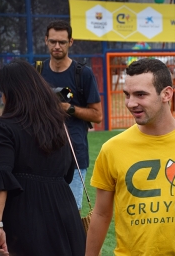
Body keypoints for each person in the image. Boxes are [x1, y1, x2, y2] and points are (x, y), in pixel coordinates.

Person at [85, 58, 175, 256]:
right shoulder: (112, 148)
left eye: (140, 94)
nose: (131, 103)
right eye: (127, 94)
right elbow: (101, 214)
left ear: (166, 94)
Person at [0, 59, 86, 255]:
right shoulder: (58, 122)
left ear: (13, 93)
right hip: (64, 212)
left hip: (23, 215)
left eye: (4, 91)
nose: (3, 98)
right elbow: (68, 172)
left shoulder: (5, 126)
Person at [40, 20, 102, 211]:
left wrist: (70, 108)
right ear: (46, 41)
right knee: (44, 214)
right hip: (42, 153)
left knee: (70, 214)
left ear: (71, 42)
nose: (57, 46)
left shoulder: (82, 74)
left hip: (74, 156)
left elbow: (97, 115)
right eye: (53, 41)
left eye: (62, 42)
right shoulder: (37, 71)